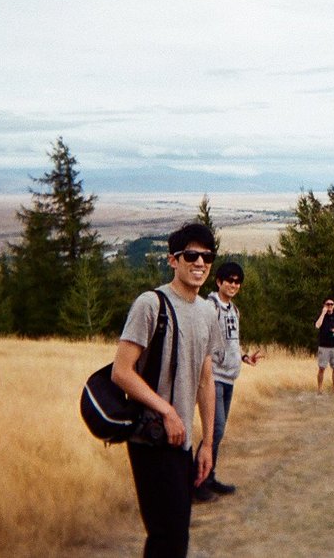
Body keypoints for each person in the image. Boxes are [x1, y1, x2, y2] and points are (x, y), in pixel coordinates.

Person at [111, 222, 222, 557]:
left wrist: (207, 444)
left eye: (207, 257)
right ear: (173, 260)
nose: (200, 263)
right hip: (152, 437)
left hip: (181, 441)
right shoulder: (150, 304)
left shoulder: (207, 312)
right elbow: (121, 372)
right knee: (167, 536)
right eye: (191, 255)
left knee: (176, 536)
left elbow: (206, 380)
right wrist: (167, 410)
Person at [195, 261, 263, 502]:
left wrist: (243, 357)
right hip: (213, 377)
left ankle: (208, 477)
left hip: (229, 377)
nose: (234, 285)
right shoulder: (209, 307)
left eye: (237, 282)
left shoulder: (234, 310)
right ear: (219, 281)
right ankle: (197, 483)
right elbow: (202, 341)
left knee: (217, 431)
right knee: (215, 429)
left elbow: (231, 341)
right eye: (230, 280)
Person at [314, 298, 334, 393]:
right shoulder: (321, 315)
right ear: (324, 305)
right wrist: (323, 313)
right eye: (328, 304)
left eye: (331, 304)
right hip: (323, 346)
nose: (330, 306)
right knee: (322, 368)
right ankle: (319, 389)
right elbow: (317, 326)